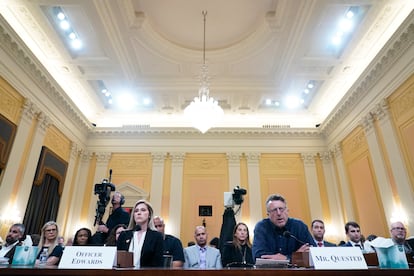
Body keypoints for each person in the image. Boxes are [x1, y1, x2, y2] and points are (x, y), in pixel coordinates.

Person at [252, 194, 315, 261]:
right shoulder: (261, 227)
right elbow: (258, 256)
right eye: (274, 210)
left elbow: (314, 253)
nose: (279, 213)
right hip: (271, 271)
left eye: (281, 209)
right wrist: (296, 257)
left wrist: (287, 258)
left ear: (287, 211)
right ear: (268, 215)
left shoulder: (299, 226)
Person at [117, 199, 163, 268]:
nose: (139, 213)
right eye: (136, 211)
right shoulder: (124, 235)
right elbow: (118, 260)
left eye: (143, 210)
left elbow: (158, 264)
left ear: (149, 214)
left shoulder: (156, 236)